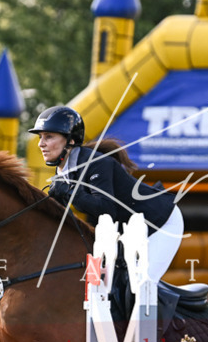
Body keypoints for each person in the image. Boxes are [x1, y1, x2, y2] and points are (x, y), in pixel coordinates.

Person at [29, 106, 184, 285]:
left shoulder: (97, 163)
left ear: (70, 140)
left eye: (48, 137)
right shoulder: (64, 171)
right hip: (130, 232)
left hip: (161, 223)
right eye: (40, 137)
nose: (41, 144)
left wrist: (70, 192)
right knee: (106, 287)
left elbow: (106, 209)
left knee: (141, 285)